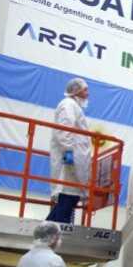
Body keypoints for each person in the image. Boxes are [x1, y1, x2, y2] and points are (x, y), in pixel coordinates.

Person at [46, 78, 91, 224]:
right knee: (66, 201)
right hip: (69, 164)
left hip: (74, 162)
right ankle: (46, 231)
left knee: (68, 202)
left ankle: (48, 231)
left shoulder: (74, 106)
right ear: (76, 90)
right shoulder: (68, 105)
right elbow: (64, 130)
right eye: (85, 89)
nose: (88, 93)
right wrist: (69, 153)